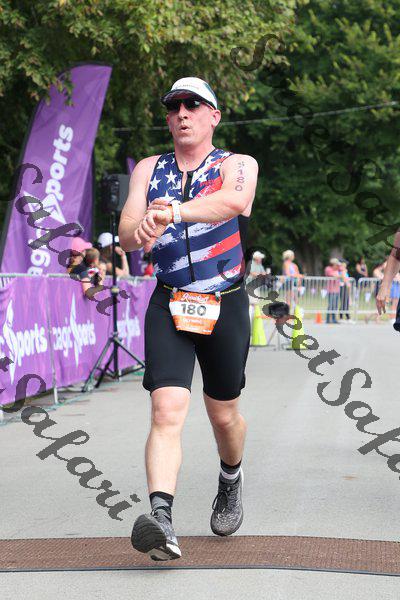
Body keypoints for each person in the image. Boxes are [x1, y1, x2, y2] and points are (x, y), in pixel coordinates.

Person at [119, 76, 261, 562]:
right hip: (169, 301)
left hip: (225, 302)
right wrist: (140, 228)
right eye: (174, 106)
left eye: (193, 105)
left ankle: (230, 477)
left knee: (224, 415)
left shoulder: (237, 164)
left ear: (213, 115)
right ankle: (161, 519)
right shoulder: (148, 168)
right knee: (166, 410)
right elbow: (126, 233)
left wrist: (174, 213)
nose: (182, 113)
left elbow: (233, 203)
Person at [246, 250, 266, 322]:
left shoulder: (260, 265)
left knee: (255, 303)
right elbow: (252, 273)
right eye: (260, 258)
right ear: (256, 258)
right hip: (250, 286)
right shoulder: (251, 263)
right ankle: (249, 319)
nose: (261, 259)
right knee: (251, 303)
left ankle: (253, 319)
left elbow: (264, 273)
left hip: (255, 286)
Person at [324, 258, 341, 324]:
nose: (337, 266)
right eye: (336, 265)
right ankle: (328, 319)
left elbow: (342, 272)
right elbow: (336, 276)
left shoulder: (337, 270)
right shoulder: (328, 269)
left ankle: (334, 319)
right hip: (331, 290)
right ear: (333, 264)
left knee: (335, 305)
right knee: (331, 305)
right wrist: (340, 274)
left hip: (337, 290)